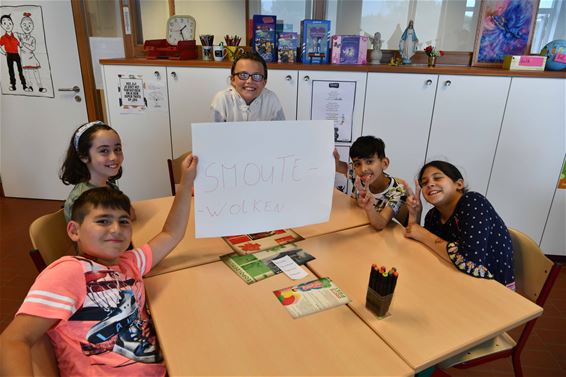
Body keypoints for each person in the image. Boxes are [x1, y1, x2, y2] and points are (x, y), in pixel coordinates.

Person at [0, 154, 198, 376]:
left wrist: (186, 184)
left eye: (123, 221)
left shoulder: (128, 262)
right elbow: (13, 340)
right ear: (74, 231)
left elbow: (171, 234)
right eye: (103, 221)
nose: (116, 229)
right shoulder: (69, 271)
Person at [403, 160, 515, 289]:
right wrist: (415, 215)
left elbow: (470, 260)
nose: (430, 184)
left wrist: (423, 234)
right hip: (452, 279)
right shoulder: (433, 215)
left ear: (459, 184)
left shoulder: (473, 202)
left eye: (437, 178)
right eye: (424, 183)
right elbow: (422, 248)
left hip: (492, 289)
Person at [60, 121, 134, 222]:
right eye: (104, 151)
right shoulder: (82, 200)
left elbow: (130, 215)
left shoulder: (109, 187)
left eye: (117, 149)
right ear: (84, 156)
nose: (114, 157)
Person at [334, 136, 408, 230]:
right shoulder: (357, 174)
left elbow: (381, 224)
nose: (363, 169)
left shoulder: (397, 191)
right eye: (357, 164)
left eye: (369, 161)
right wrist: (334, 161)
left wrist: (369, 208)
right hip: (354, 223)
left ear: (384, 163)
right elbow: (338, 166)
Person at [210, 51, 285, 122]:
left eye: (257, 76)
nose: (249, 81)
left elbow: (281, 130)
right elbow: (214, 133)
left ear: (264, 82)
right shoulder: (222, 99)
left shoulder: (271, 100)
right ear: (233, 79)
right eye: (243, 75)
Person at [15, 12, 47, 93]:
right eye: (24, 25)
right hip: (24, 59)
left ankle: (40, 86)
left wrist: (23, 44)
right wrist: (19, 42)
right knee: (26, 72)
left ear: (32, 27)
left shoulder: (32, 38)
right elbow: (14, 34)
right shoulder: (20, 35)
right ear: (21, 25)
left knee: (36, 71)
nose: (27, 27)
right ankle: (30, 86)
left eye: (29, 25)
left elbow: (33, 48)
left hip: (31, 58)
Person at [0, 14, 29, 91]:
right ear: (1, 25)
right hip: (9, 55)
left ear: (12, 24)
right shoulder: (3, 37)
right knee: (11, 70)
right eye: (4, 23)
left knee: (20, 70)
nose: (8, 25)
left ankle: (24, 85)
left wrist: (22, 43)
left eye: (9, 23)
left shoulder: (15, 35)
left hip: (16, 54)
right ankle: (13, 85)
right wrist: (3, 52)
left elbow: (21, 46)